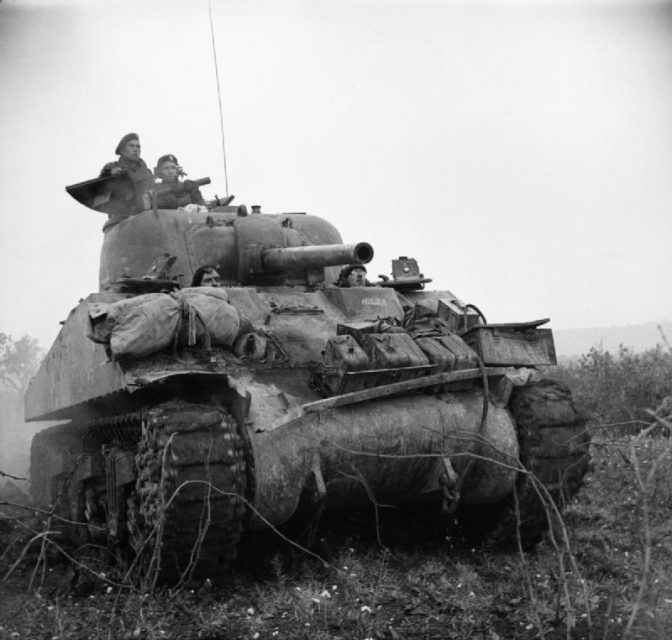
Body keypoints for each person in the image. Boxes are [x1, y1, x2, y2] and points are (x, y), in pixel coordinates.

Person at [99, 133, 155, 226]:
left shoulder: (147, 173)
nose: (135, 149)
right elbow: (101, 187)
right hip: (120, 222)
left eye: (138, 146)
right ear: (122, 150)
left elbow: (153, 194)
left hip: (145, 220)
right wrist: (110, 173)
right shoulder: (112, 168)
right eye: (131, 146)